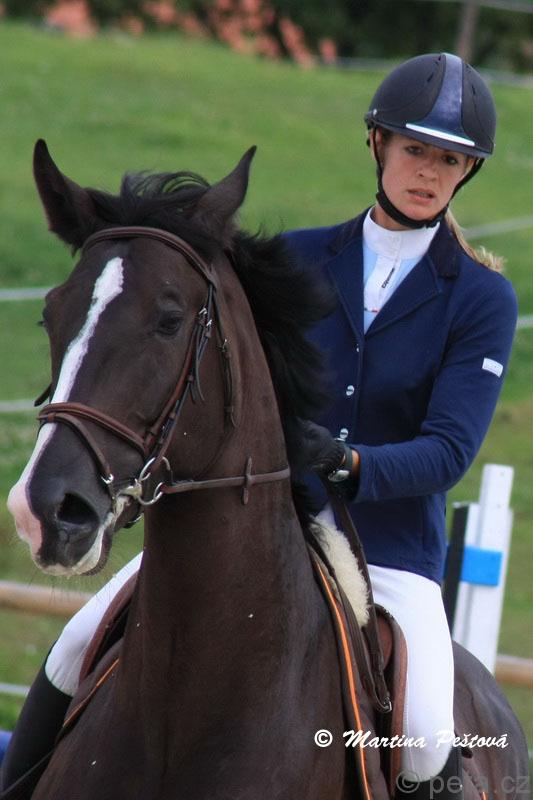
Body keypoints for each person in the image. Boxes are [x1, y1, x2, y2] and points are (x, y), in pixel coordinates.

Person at [0, 53, 517, 800]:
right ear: (377, 143)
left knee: (428, 733)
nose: (428, 172)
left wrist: (348, 463)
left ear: (465, 172)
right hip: (254, 524)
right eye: (415, 149)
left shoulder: (479, 297)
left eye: (449, 160)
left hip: (390, 560)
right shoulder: (297, 257)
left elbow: (448, 451)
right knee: (74, 643)